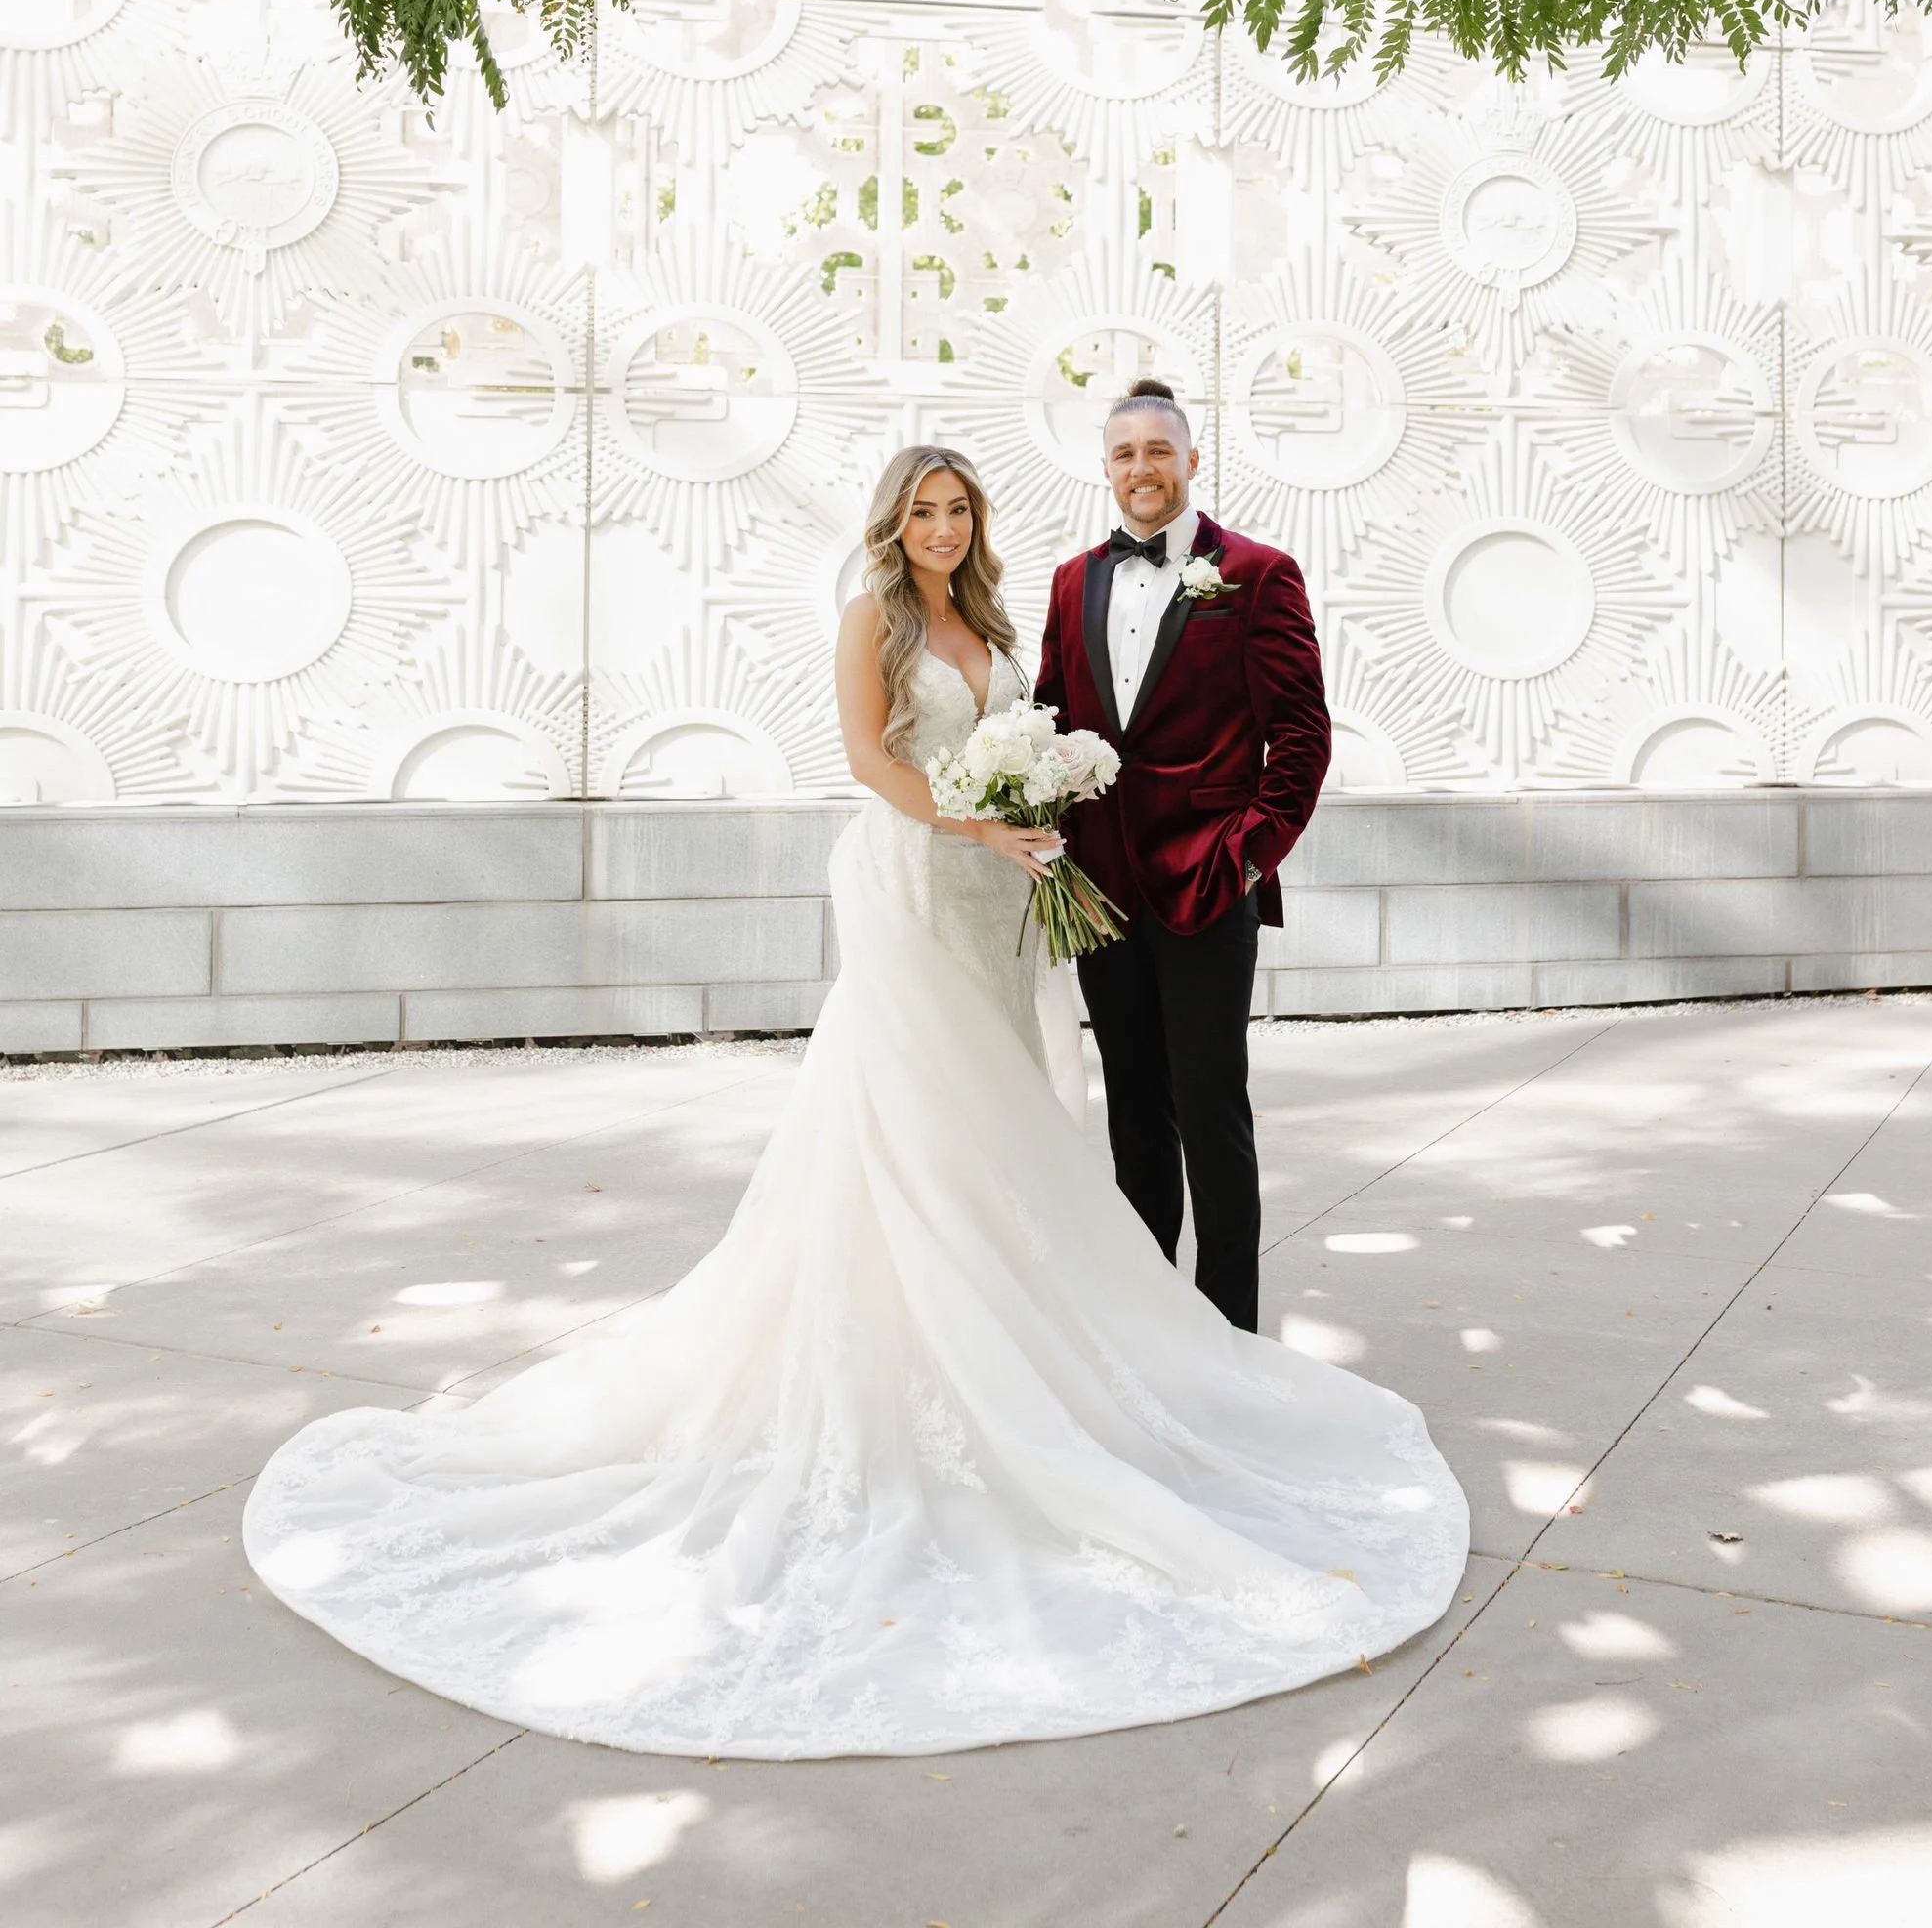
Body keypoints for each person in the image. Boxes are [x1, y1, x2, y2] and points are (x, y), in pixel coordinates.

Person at [243, 445, 1465, 1760]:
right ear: (893, 523)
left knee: (1014, 1119)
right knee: (919, 1110)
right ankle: (934, 1357)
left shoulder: (999, 617)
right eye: (922, 510)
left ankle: (1100, 1338)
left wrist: (1036, 815)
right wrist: (979, 824)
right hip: (914, 882)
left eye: (958, 509)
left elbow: (1116, 736)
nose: (941, 527)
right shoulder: (869, 618)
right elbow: (870, 763)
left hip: (1001, 896)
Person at [1038, 379, 1332, 1332]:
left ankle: (1229, 1336)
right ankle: (1151, 1327)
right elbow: (1052, 715)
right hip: (1101, 889)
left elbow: (1301, 736)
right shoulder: (1071, 580)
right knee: (1133, 1113)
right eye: (1124, 453)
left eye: (1158, 451)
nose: (1142, 469)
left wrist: (1248, 857)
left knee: (1211, 1114)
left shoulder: (1257, 573)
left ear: (1191, 460)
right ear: (1105, 468)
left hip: (1208, 880)